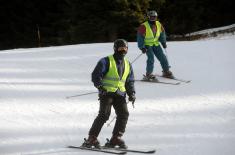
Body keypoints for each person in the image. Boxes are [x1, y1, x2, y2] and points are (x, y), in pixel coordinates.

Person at [82, 39, 136, 149]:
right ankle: (91, 138)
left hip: (120, 94)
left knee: (124, 114)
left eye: (125, 48)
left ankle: (116, 138)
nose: (123, 50)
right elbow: (96, 75)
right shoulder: (106, 61)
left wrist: (132, 93)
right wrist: (100, 86)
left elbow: (129, 81)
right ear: (115, 49)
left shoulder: (127, 64)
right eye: (121, 48)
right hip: (106, 93)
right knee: (104, 115)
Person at [137, 10, 174, 79]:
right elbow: (140, 37)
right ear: (148, 17)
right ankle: (149, 74)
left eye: (154, 17)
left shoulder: (158, 24)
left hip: (156, 44)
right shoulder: (143, 26)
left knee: (163, 57)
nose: (153, 18)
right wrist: (142, 47)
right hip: (147, 45)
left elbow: (162, 34)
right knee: (151, 59)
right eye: (151, 17)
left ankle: (166, 71)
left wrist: (163, 42)